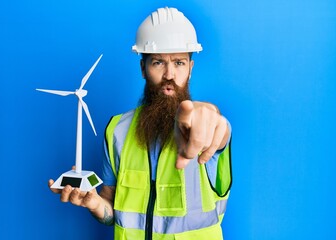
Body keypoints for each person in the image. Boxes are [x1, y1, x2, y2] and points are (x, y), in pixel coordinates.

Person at [49, 7, 232, 240]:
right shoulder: (117, 130)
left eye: (179, 63)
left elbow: (218, 128)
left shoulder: (206, 127)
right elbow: (111, 210)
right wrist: (95, 203)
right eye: (158, 62)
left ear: (190, 69)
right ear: (143, 68)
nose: (169, 75)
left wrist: (214, 117)